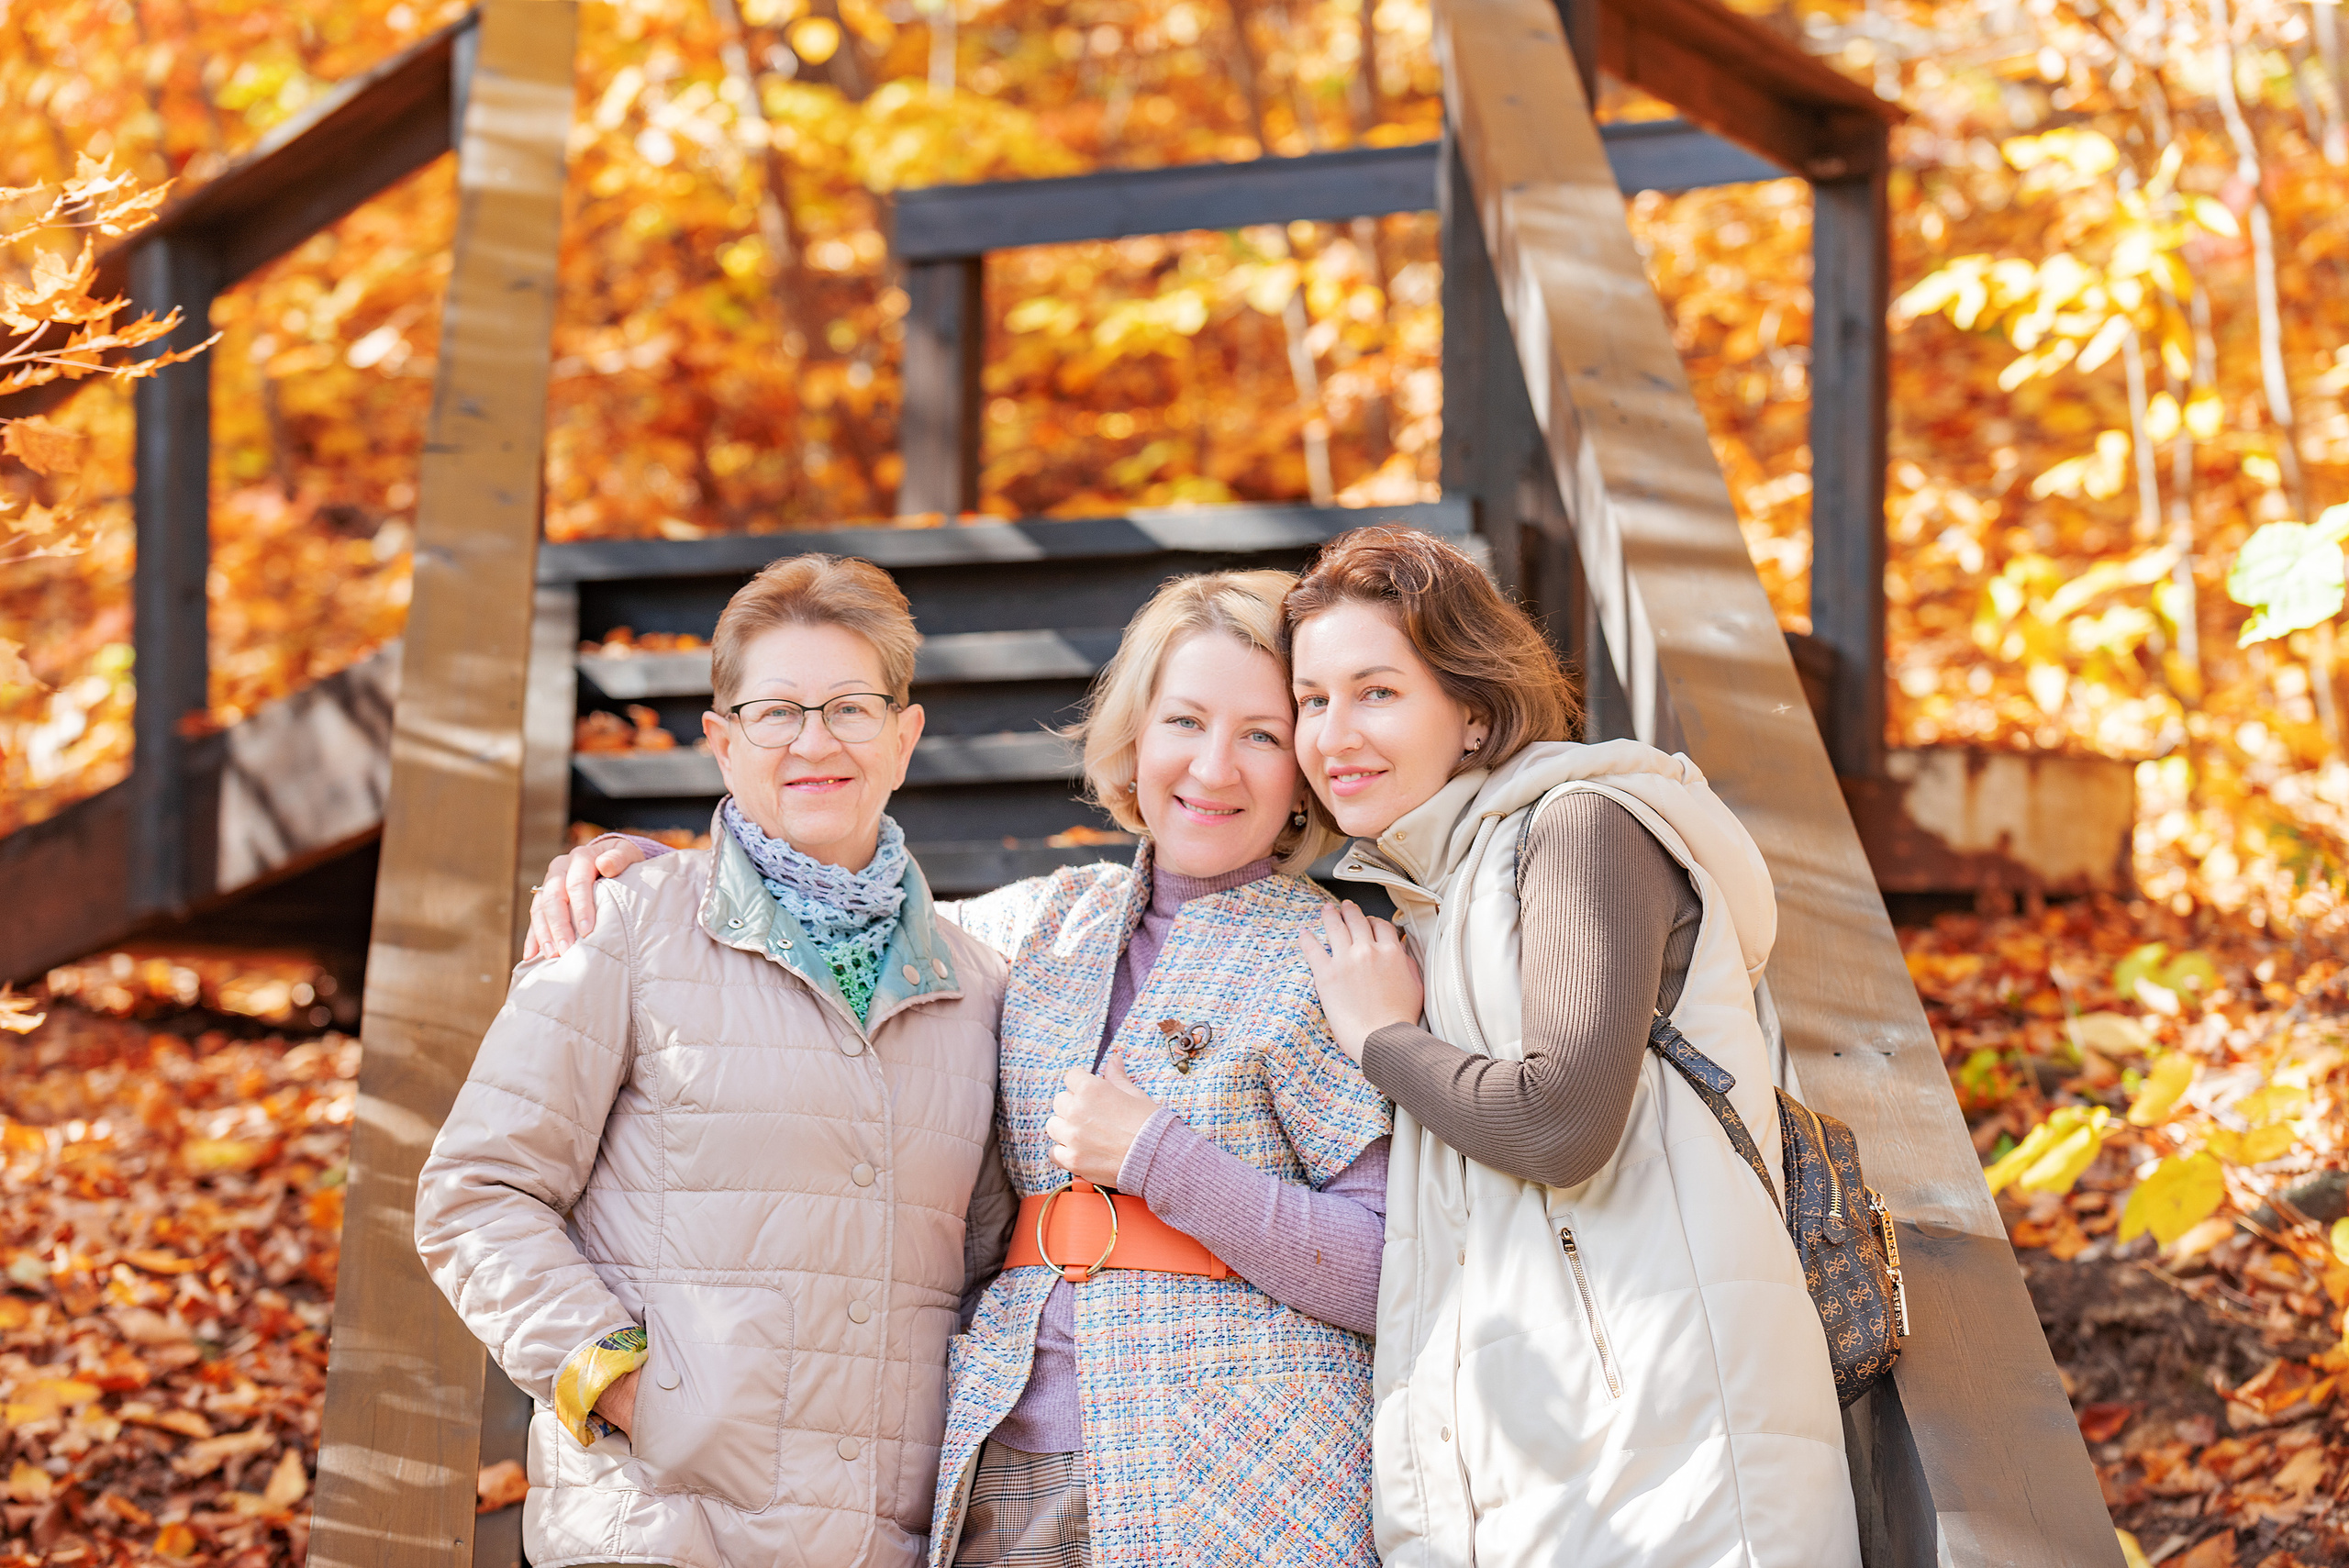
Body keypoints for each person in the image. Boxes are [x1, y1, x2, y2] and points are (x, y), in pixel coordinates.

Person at [534, 570, 1396, 1568]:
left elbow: (1383, 1272)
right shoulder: (1041, 925)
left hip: (1243, 1475)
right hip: (1003, 1455)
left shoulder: (1337, 957)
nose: (1213, 765)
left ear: (1305, 766)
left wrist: (1159, 1154)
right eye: (1184, 720)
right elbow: (831, 931)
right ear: (1133, 735)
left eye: (1260, 733)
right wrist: (667, 877)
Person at [415, 554, 1014, 1568]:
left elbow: (988, 1264)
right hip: (655, 1530)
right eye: (775, 711)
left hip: (880, 1543)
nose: (814, 741)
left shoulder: (982, 986)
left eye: (851, 708)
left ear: (904, 738)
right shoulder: (627, 924)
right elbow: (475, 1191)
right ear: (723, 743)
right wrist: (623, 1385)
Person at [1285, 527, 1862, 1568]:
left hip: (1673, 1446)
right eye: (1311, 699)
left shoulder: (1582, 826)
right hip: (1550, 1466)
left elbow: (1560, 1121)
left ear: (1469, 708)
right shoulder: (1432, 894)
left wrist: (1380, 1035)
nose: (1333, 734)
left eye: (1375, 691)